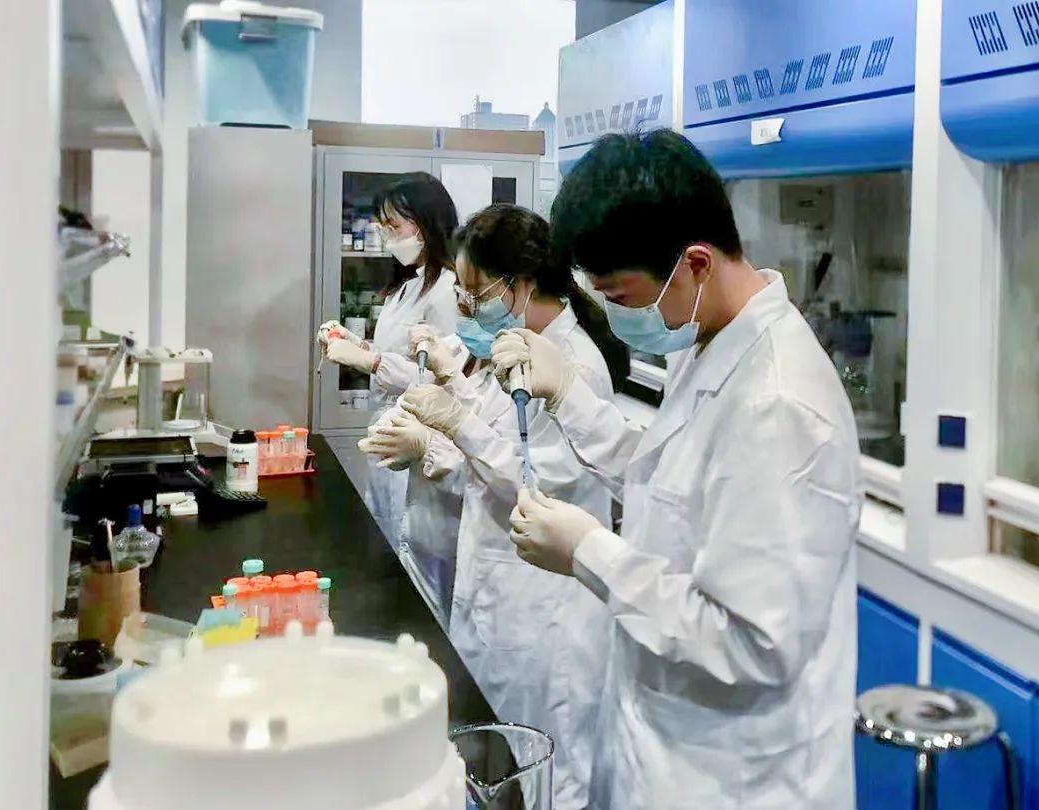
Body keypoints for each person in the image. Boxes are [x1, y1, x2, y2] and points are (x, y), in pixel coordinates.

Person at [493, 131, 861, 810]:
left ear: (695, 263)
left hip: (736, 779)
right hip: (668, 748)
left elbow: (752, 643)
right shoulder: (711, 338)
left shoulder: (779, 404)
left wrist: (588, 553)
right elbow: (669, 481)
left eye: (620, 296)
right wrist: (569, 395)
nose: (613, 315)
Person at [362, 204, 628, 810]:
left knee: (550, 775)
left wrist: (456, 427)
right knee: (500, 767)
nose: (465, 307)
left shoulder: (571, 363)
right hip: (500, 588)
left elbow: (541, 481)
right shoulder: (519, 347)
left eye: (476, 293)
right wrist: (456, 392)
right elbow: (504, 434)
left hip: (544, 611)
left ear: (522, 285)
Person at [317, 172, 458, 543]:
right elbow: (397, 353)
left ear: (426, 224)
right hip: (387, 433)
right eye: (383, 226)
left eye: (393, 226)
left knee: (407, 544)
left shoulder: (446, 289)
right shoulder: (408, 285)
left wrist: (372, 363)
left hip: (420, 441)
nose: (386, 235)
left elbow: (446, 381)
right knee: (383, 538)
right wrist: (356, 345)